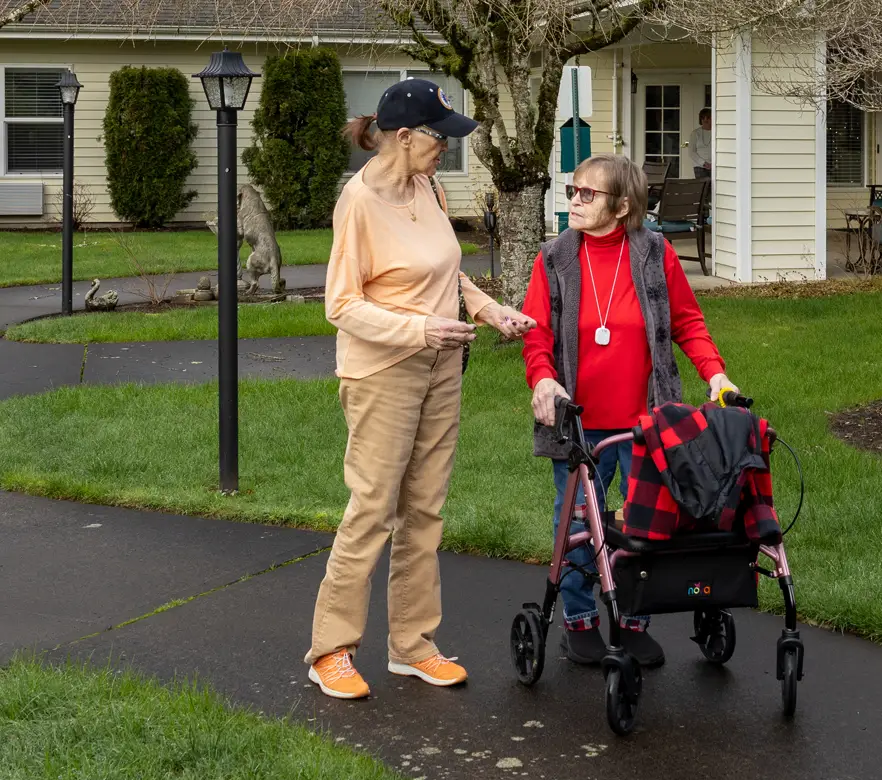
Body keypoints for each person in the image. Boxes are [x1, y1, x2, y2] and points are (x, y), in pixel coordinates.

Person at [306, 78, 536, 700]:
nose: (448, 149)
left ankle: (413, 646)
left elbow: (450, 273)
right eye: (439, 138)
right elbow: (341, 304)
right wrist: (418, 328)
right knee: (373, 509)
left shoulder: (428, 186)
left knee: (425, 509)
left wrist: (491, 311)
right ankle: (331, 649)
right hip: (384, 372)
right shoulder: (358, 202)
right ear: (402, 138)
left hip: (442, 366)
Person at [521, 154, 736, 668]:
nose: (574, 199)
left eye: (587, 194)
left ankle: (633, 619)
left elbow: (687, 322)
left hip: (646, 422)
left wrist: (716, 374)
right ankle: (579, 623)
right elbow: (537, 337)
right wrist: (543, 379)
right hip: (578, 424)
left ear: (621, 206)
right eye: (572, 190)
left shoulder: (653, 252)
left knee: (645, 524)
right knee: (578, 525)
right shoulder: (554, 258)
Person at [690, 108, 712, 180]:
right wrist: (704, 163)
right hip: (700, 166)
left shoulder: (716, 132)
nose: (705, 120)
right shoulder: (695, 133)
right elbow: (691, 152)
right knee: (703, 189)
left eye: (708, 117)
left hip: (715, 166)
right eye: (703, 118)